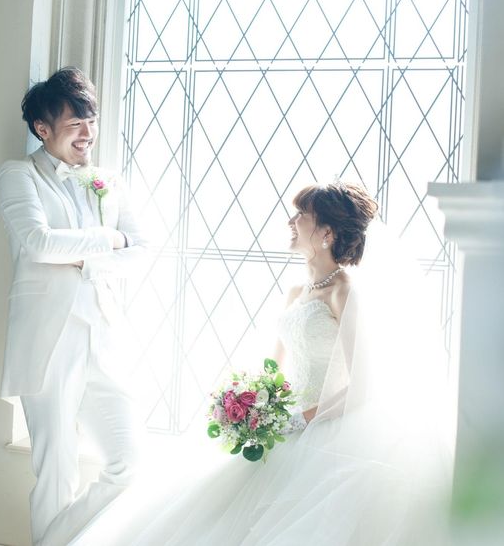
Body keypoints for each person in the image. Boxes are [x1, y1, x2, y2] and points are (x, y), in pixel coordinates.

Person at [77, 181, 454, 545]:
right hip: (283, 423)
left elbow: (361, 387)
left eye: (301, 215)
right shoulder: (296, 291)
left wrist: (302, 420)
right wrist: (248, 403)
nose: (291, 222)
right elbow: (274, 371)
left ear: (326, 233)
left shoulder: (345, 293)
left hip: (326, 428)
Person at [0, 67, 148, 546]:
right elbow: (39, 244)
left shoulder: (108, 181)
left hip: (104, 335)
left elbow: (143, 251)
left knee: (129, 461)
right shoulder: (18, 174)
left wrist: (84, 258)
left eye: (92, 120)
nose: (88, 132)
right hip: (48, 341)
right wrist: (107, 239)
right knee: (56, 470)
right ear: (42, 128)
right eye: (75, 122)